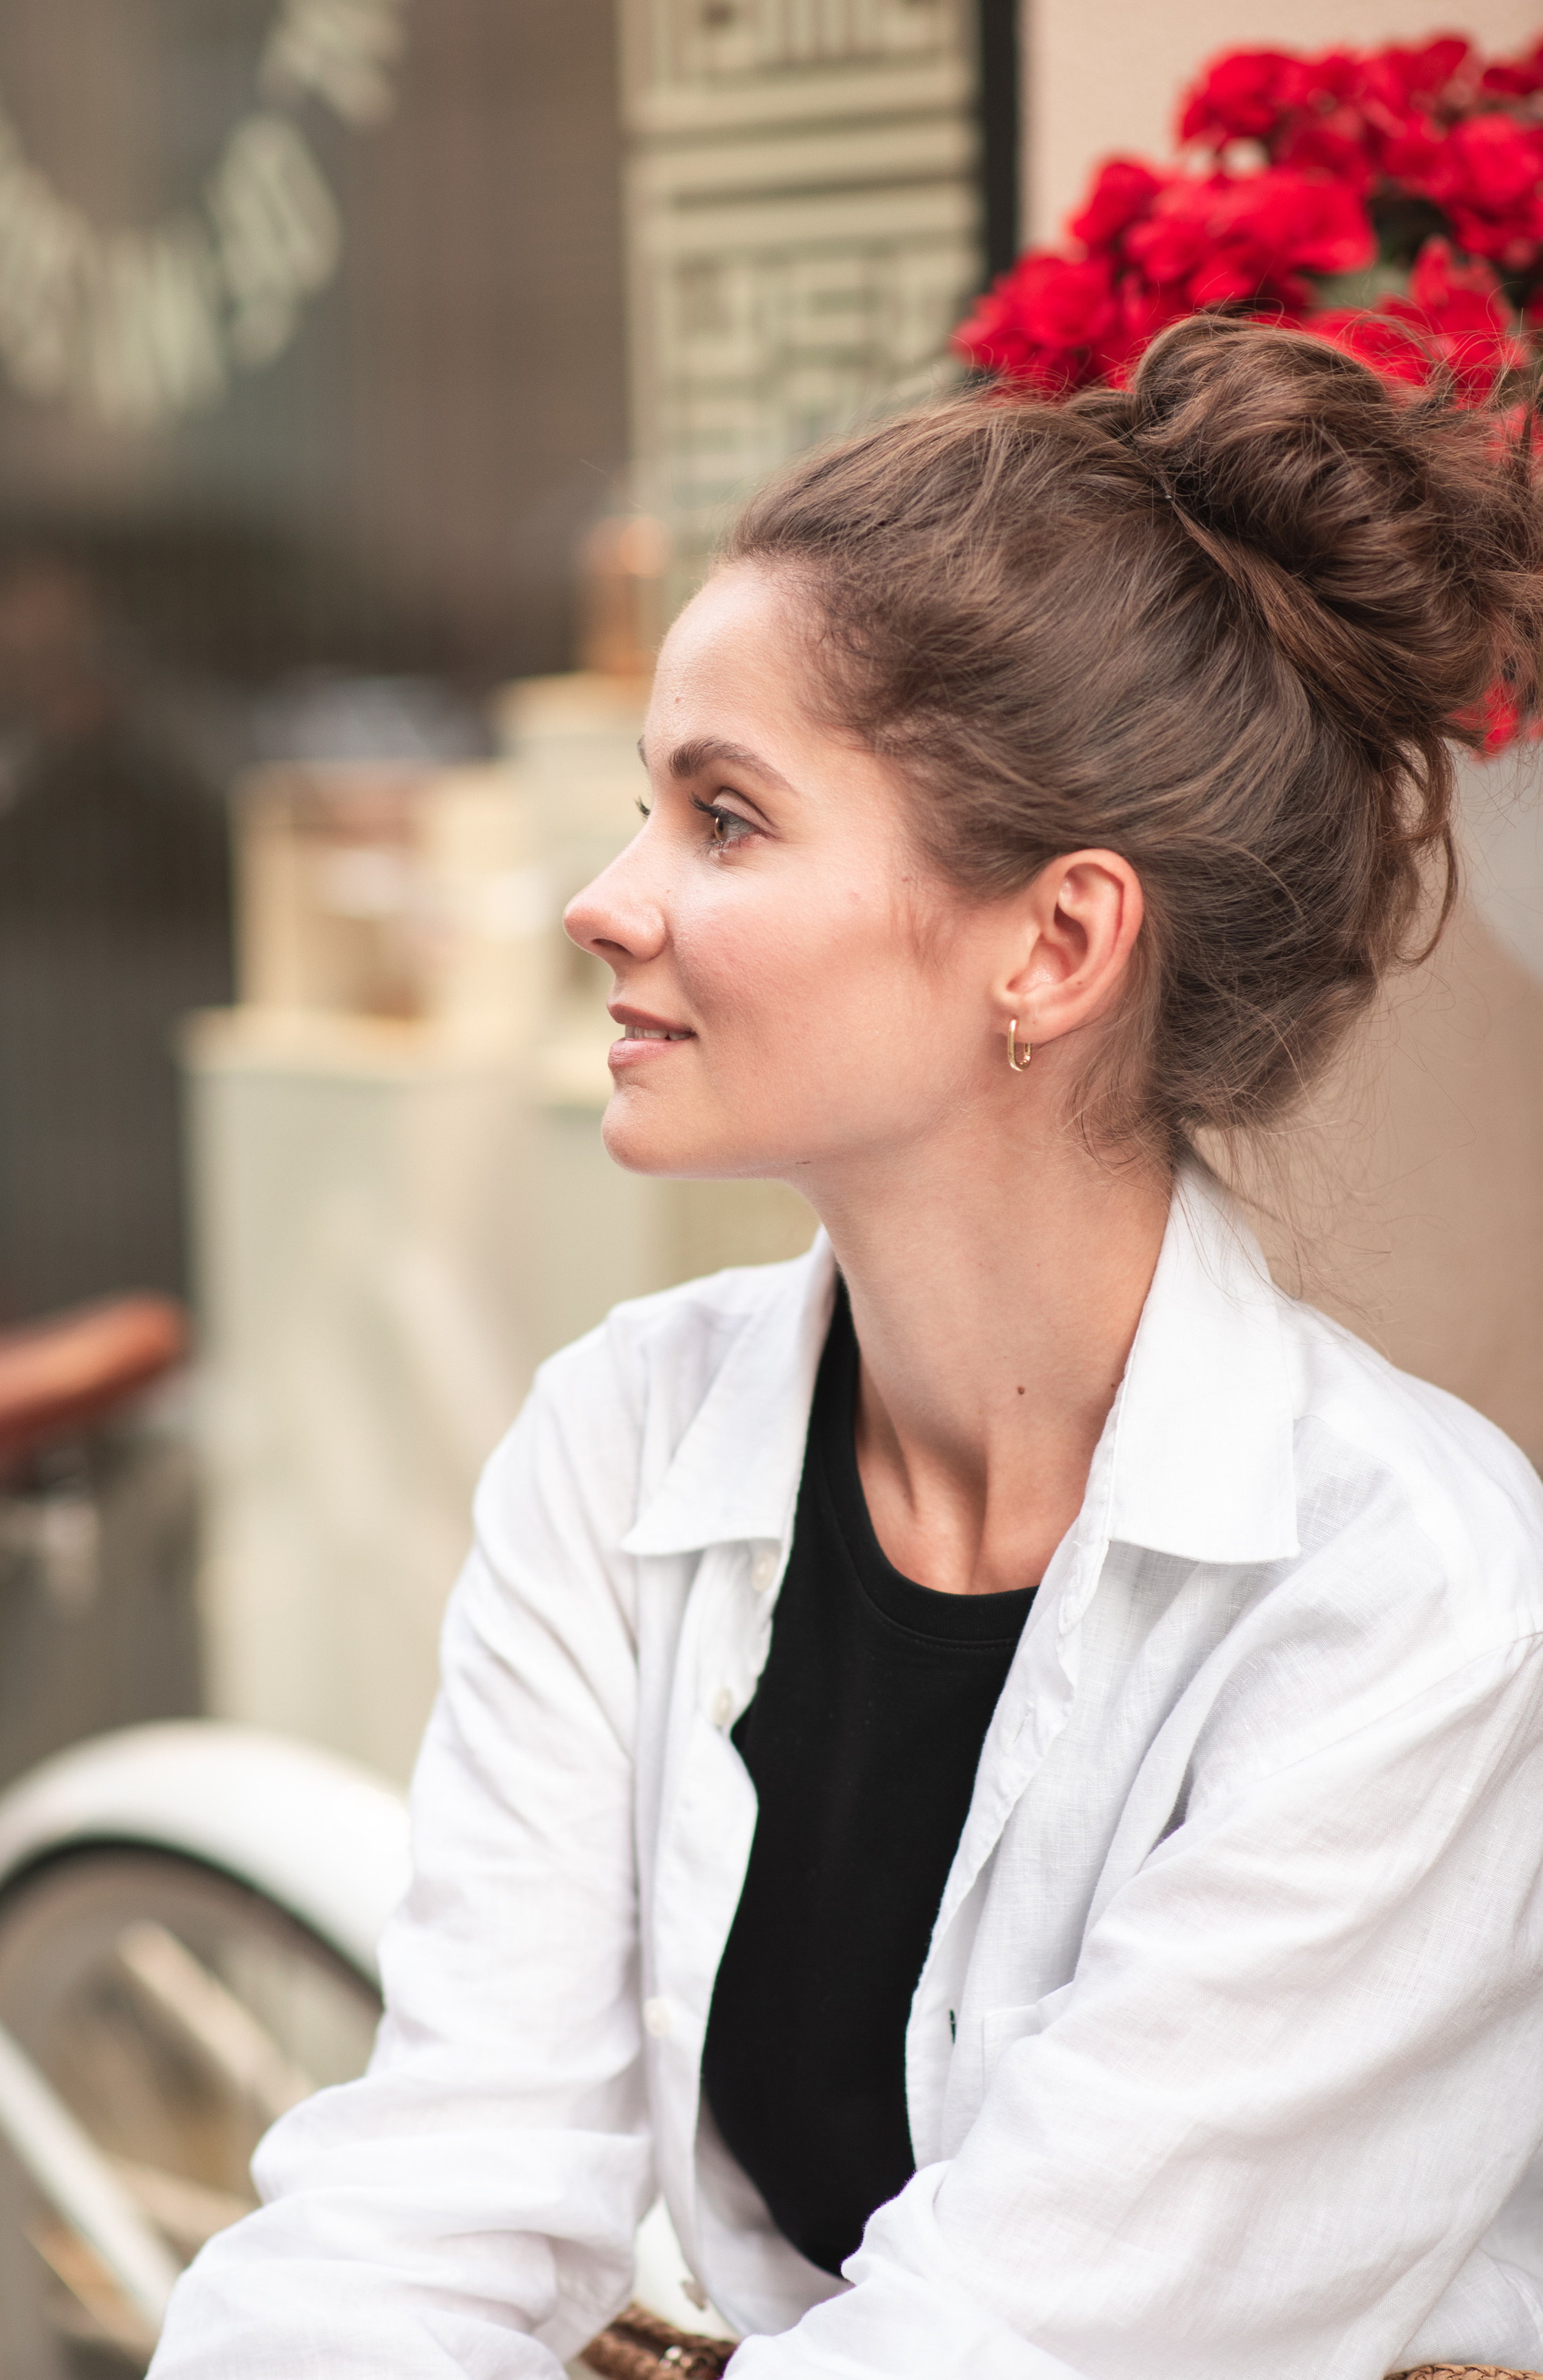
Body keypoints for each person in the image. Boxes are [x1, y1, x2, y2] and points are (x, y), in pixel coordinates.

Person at [149, 315, 1543, 2379]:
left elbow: (1010, 2345)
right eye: (649, 805)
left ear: (1053, 943)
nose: (604, 902)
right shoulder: (620, 1443)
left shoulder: (1408, 1600)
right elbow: (441, 2191)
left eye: (725, 818)